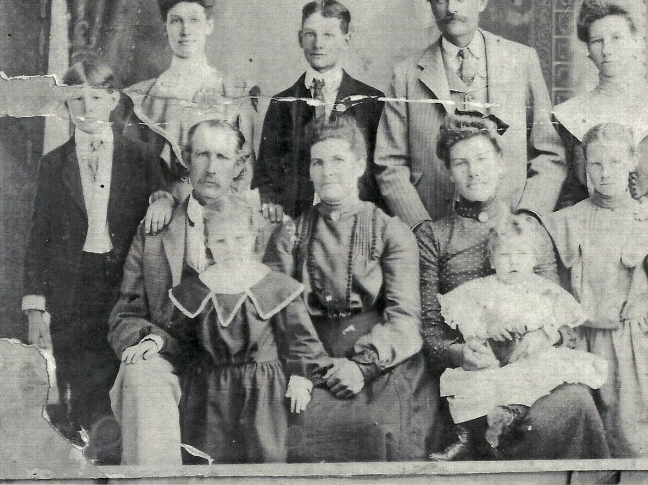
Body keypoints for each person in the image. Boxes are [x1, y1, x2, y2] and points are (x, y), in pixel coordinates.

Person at [418, 114, 609, 461]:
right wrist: (459, 353)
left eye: (482, 159)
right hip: (474, 371)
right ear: (448, 171)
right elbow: (430, 328)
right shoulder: (434, 236)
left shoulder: (528, 231)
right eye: (461, 163)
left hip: (533, 365)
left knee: (576, 402)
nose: (474, 172)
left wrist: (545, 337)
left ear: (501, 163)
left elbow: (561, 317)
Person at [265, 115, 438, 462]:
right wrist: (311, 368)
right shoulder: (289, 235)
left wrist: (362, 367)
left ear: (359, 166)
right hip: (309, 363)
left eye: (338, 160)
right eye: (318, 162)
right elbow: (282, 315)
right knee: (293, 429)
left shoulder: (391, 231)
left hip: (382, 363)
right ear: (309, 171)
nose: (327, 172)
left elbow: (405, 319)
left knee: (377, 427)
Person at [22, 59, 169, 462]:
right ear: (66, 105)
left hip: (124, 279)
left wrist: (164, 199)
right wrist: (36, 307)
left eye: (96, 98)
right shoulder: (54, 164)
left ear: (114, 100)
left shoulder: (141, 157)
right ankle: (97, 433)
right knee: (78, 364)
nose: (86, 108)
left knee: (119, 357)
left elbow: (161, 196)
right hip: (72, 283)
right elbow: (39, 237)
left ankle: (116, 435)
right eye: (76, 100)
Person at [107, 119, 273, 465]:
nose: (211, 168)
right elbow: (125, 314)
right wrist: (150, 340)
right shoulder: (155, 230)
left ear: (239, 165)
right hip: (172, 355)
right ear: (185, 159)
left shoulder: (264, 228)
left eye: (222, 157)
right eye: (202, 155)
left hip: (238, 362)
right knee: (140, 371)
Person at [542, 122, 648, 458]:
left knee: (635, 442)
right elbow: (553, 290)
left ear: (632, 161)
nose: (605, 173)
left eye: (615, 162)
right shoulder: (567, 221)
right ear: (585, 166)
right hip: (583, 345)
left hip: (636, 350)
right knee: (586, 444)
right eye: (596, 163)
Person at [375, 0, 566, 233]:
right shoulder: (405, 75)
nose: (451, 8)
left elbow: (550, 153)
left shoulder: (521, 61)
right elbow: (390, 164)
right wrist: (421, 227)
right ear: (431, 5)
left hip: (511, 228)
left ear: (482, 0)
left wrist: (528, 217)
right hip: (436, 230)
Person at [164, 195, 331, 463]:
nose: (231, 249)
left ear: (253, 237)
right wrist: (156, 342)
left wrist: (302, 376)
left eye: (239, 239)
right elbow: (179, 340)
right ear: (207, 242)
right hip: (211, 391)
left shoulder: (274, 286)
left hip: (264, 391)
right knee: (210, 461)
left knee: (265, 458)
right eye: (221, 241)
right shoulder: (197, 289)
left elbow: (301, 339)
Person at [435, 216, 608, 459]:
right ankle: (466, 437)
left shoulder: (544, 290)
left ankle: (509, 414)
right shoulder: (480, 289)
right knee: (470, 385)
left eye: (522, 254)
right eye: (504, 255)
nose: (513, 261)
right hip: (495, 359)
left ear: (534, 259)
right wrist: (488, 328)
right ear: (492, 260)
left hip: (532, 357)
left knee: (538, 378)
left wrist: (542, 333)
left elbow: (557, 323)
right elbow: (469, 320)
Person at [553, 0, 648, 246]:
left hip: (645, 243)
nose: (607, 50)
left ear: (635, 42)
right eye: (597, 41)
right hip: (586, 244)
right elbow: (566, 196)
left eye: (617, 38)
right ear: (588, 51)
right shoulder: (569, 115)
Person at [124, 0, 255, 202]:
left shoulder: (234, 90)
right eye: (176, 21)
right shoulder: (142, 97)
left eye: (194, 20)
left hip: (222, 211)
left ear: (209, 25)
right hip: (161, 211)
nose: (185, 31)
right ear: (165, 27)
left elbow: (245, 172)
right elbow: (134, 176)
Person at [253, 0, 385, 220]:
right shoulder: (282, 103)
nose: (318, 44)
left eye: (328, 35)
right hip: (297, 219)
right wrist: (272, 203)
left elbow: (379, 172)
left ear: (346, 40)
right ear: (300, 38)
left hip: (354, 219)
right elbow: (265, 173)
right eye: (310, 34)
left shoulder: (371, 101)